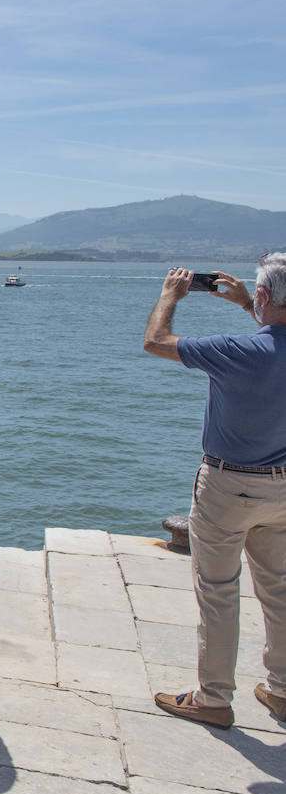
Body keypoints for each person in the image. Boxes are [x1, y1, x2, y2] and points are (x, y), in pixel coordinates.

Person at [143, 257, 286, 728]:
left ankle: (213, 698)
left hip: (229, 484)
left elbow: (156, 342)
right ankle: (283, 689)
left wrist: (170, 296)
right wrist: (250, 304)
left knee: (219, 591)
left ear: (266, 297)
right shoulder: (254, 340)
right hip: (283, 488)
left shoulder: (239, 352)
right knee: (281, 590)